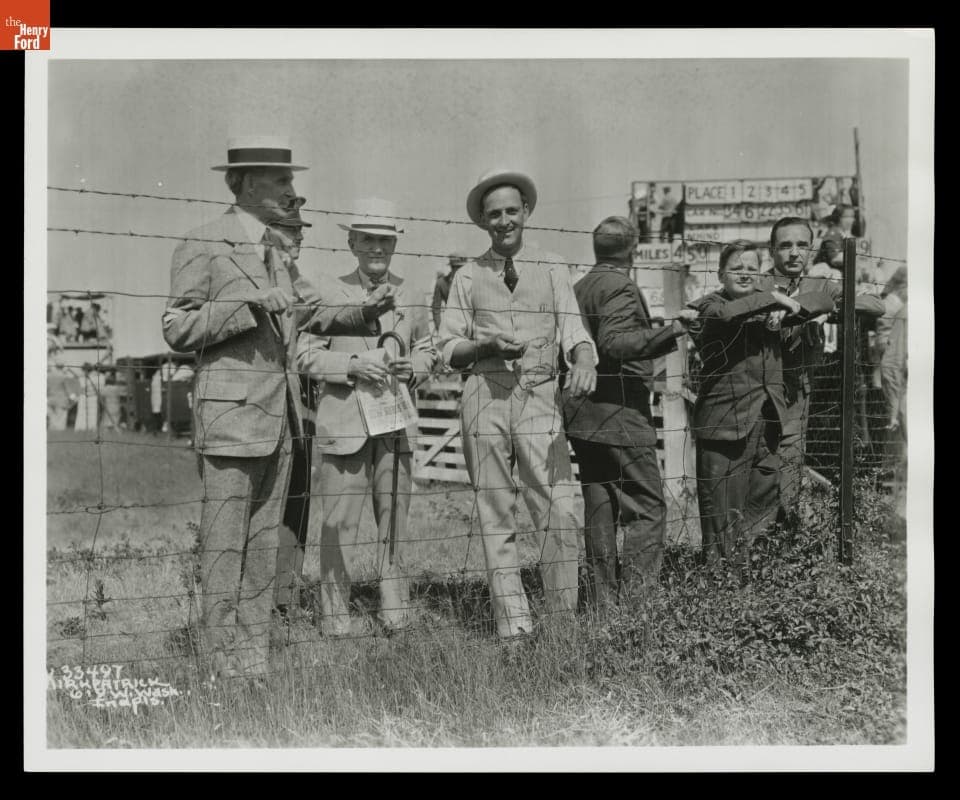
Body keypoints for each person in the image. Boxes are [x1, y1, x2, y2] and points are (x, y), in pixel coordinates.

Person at [162, 137, 392, 680]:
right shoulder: (204, 243)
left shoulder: (277, 253)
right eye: (281, 181)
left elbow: (313, 312)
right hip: (230, 420)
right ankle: (219, 666)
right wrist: (244, 304)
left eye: (291, 181)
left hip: (281, 420)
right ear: (242, 184)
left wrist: (366, 309)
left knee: (265, 544)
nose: (293, 191)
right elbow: (176, 327)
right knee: (224, 544)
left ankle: (253, 661)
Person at [437, 168, 598, 641]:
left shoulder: (552, 267)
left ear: (526, 212)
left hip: (539, 395)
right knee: (494, 510)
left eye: (511, 211)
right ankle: (514, 626)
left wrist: (584, 360)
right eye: (494, 215)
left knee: (556, 506)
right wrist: (483, 346)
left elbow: (574, 330)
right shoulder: (468, 275)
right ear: (483, 222)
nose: (503, 222)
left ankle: (563, 618)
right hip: (484, 395)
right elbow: (448, 348)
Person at [297, 198, 438, 637]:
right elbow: (304, 354)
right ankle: (335, 618)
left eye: (384, 239)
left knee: (393, 516)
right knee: (339, 521)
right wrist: (352, 365)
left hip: (394, 423)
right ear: (351, 242)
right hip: (344, 425)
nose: (376, 247)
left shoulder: (412, 292)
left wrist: (414, 367)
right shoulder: (326, 290)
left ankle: (394, 612)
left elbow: (428, 347)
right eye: (368, 239)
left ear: (394, 243)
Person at [563, 216, 698, 611]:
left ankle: (603, 605)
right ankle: (638, 608)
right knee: (647, 505)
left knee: (601, 505)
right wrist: (672, 330)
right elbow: (614, 342)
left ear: (596, 248)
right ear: (633, 250)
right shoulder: (620, 286)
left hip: (584, 415)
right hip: (620, 411)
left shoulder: (580, 286)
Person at [688, 240, 834, 566]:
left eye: (751, 269)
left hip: (767, 424)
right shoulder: (709, 305)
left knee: (761, 514)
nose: (744, 274)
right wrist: (772, 297)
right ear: (720, 273)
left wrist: (786, 306)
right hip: (725, 427)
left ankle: (754, 588)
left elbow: (824, 300)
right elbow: (727, 315)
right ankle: (720, 597)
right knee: (722, 524)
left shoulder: (773, 308)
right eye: (736, 268)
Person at [764, 217, 885, 523]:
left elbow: (876, 306)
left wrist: (823, 308)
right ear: (771, 250)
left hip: (796, 394)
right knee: (757, 474)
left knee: (790, 466)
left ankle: (784, 541)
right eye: (785, 245)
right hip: (756, 394)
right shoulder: (756, 283)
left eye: (802, 245)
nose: (794, 253)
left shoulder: (819, 285)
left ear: (811, 249)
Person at [432, 251, 470, 334]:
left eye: (461, 267)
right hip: (452, 327)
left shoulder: (473, 282)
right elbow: (436, 309)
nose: (458, 270)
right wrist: (440, 328)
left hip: (472, 326)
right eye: (455, 267)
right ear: (452, 267)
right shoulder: (441, 283)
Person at [47, 355, 80, 431]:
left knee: (52, 420)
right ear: (63, 367)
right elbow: (68, 390)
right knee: (60, 421)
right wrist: (73, 399)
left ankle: (53, 435)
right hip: (61, 401)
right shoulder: (64, 376)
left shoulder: (49, 376)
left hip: (50, 400)